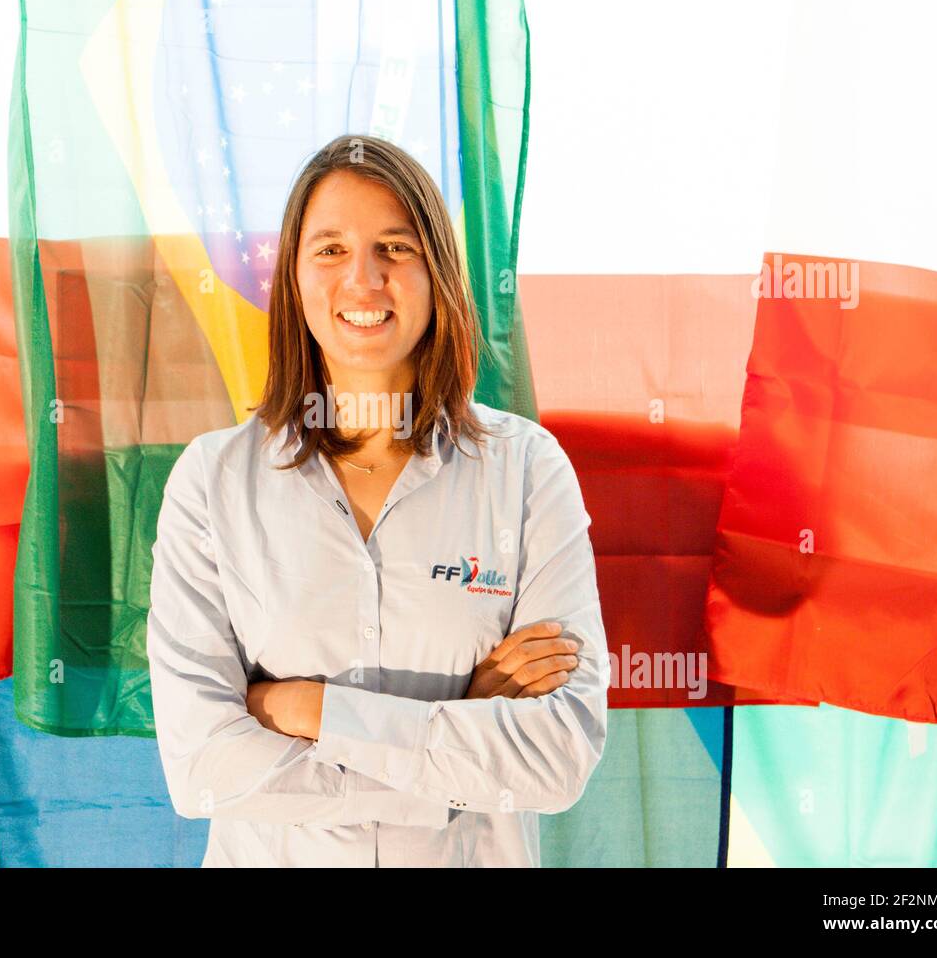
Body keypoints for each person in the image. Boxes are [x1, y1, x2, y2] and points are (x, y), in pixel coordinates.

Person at [145, 133, 611, 867]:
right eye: (329, 250)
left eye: (395, 247)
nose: (362, 279)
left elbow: (557, 758)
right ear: (293, 278)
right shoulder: (212, 482)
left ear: (438, 275)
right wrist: (455, 737)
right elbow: (204, 770)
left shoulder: (525, 470)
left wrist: (308, 711)